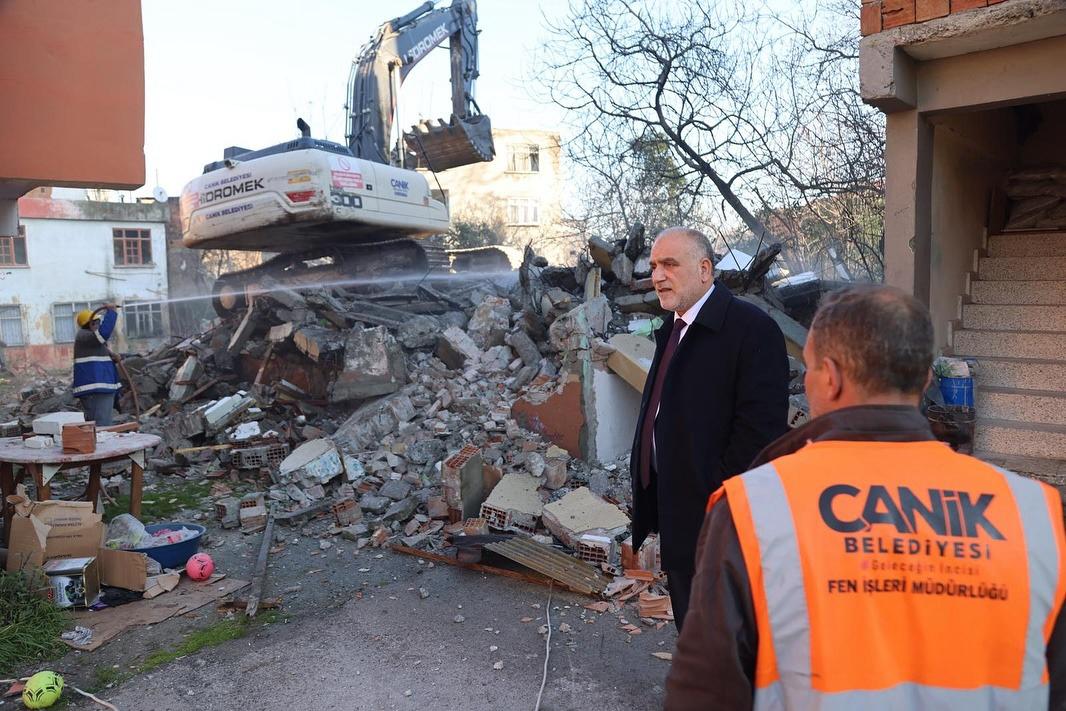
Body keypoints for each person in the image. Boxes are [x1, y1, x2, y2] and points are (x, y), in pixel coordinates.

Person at [665, 286, 1066, 710]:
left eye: (810, 368)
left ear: (832, 378)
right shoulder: (1035, 514)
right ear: (925, 378)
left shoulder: (756, 509)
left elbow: (704, 696)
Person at [630, 227, 789, 631]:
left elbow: (759, 437)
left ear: (704, 270)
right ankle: (700, 691)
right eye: (653, 266)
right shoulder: (674, 328)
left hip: (719, 520)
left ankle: (718, 694)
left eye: (670, 264)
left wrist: (715, 495)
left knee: (723, 633)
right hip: (677, 511)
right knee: (693, 623)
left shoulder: (751, 331)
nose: (658, 276)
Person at [73, 304, 121, 426]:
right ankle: (102, 445)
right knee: (102, 426)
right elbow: (104, 333)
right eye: (98, 322)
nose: (99, 325)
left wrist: (112, 357)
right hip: (95, 390)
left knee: (101, 425)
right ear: (91, 323)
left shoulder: (90, 339)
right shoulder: (84, 335)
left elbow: (98, 355)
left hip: (100, 388)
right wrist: (111, 312)